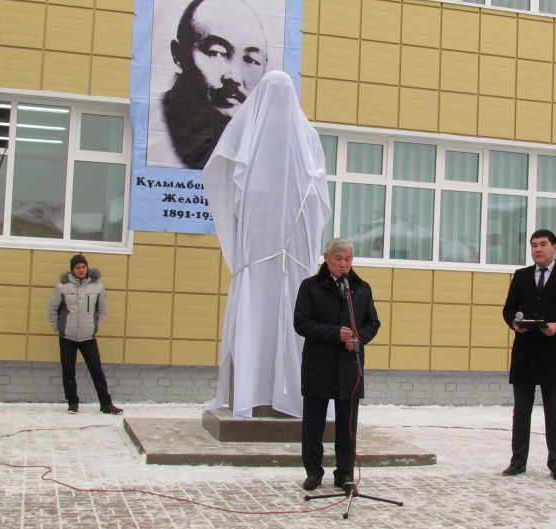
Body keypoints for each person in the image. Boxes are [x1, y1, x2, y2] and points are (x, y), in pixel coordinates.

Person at [202, 70, 331, 419]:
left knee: (285, 316)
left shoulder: (292, 136)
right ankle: (254, 395)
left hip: (283, 254)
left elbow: (225, 177)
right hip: (261, 255)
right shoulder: (260, 133)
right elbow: (319, 198)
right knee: (263, 315)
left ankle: (284, 395)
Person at [293, 238, 381, 491]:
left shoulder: (361, 288)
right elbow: (301, 323)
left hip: (349, 366)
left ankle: (345, 473)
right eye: (338, 259)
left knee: (347, 426)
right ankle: (313, 472)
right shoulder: (310, 286)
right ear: (326, 258)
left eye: (348, 259)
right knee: (314, 425)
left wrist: (358, 338)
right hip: (318, 366)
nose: (344, 264)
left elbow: (373, 323)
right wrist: (334, 333)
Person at [501, 229, 556, 482]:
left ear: (554, 248)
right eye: (534, 245)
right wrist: (514, 323)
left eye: (543, 244)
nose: (538, 249)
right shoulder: (521, 275)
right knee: (521, 411)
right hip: (525, 352)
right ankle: (518, 462)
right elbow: (509, 309)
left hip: (553, 352)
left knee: (554, 412)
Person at [148, 0, 269, 169]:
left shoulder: (265, 138)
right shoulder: (151, 123)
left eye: (251, 60)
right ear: (178, 55)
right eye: (217, 53)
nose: (234, 77)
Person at [48, 254, 123, 415]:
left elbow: (102, 309)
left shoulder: (97, 287)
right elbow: (53, 309)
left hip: (88, 337)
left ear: (87, 268)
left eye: (83, 267)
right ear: (72, 270)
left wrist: (94, 326)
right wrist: (58, 328)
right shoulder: (62, 287)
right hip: (67, 337)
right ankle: (73, 403)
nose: (81, 270)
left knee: (96, 370)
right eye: (77, 267)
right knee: (68, 371)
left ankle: (106, 404)